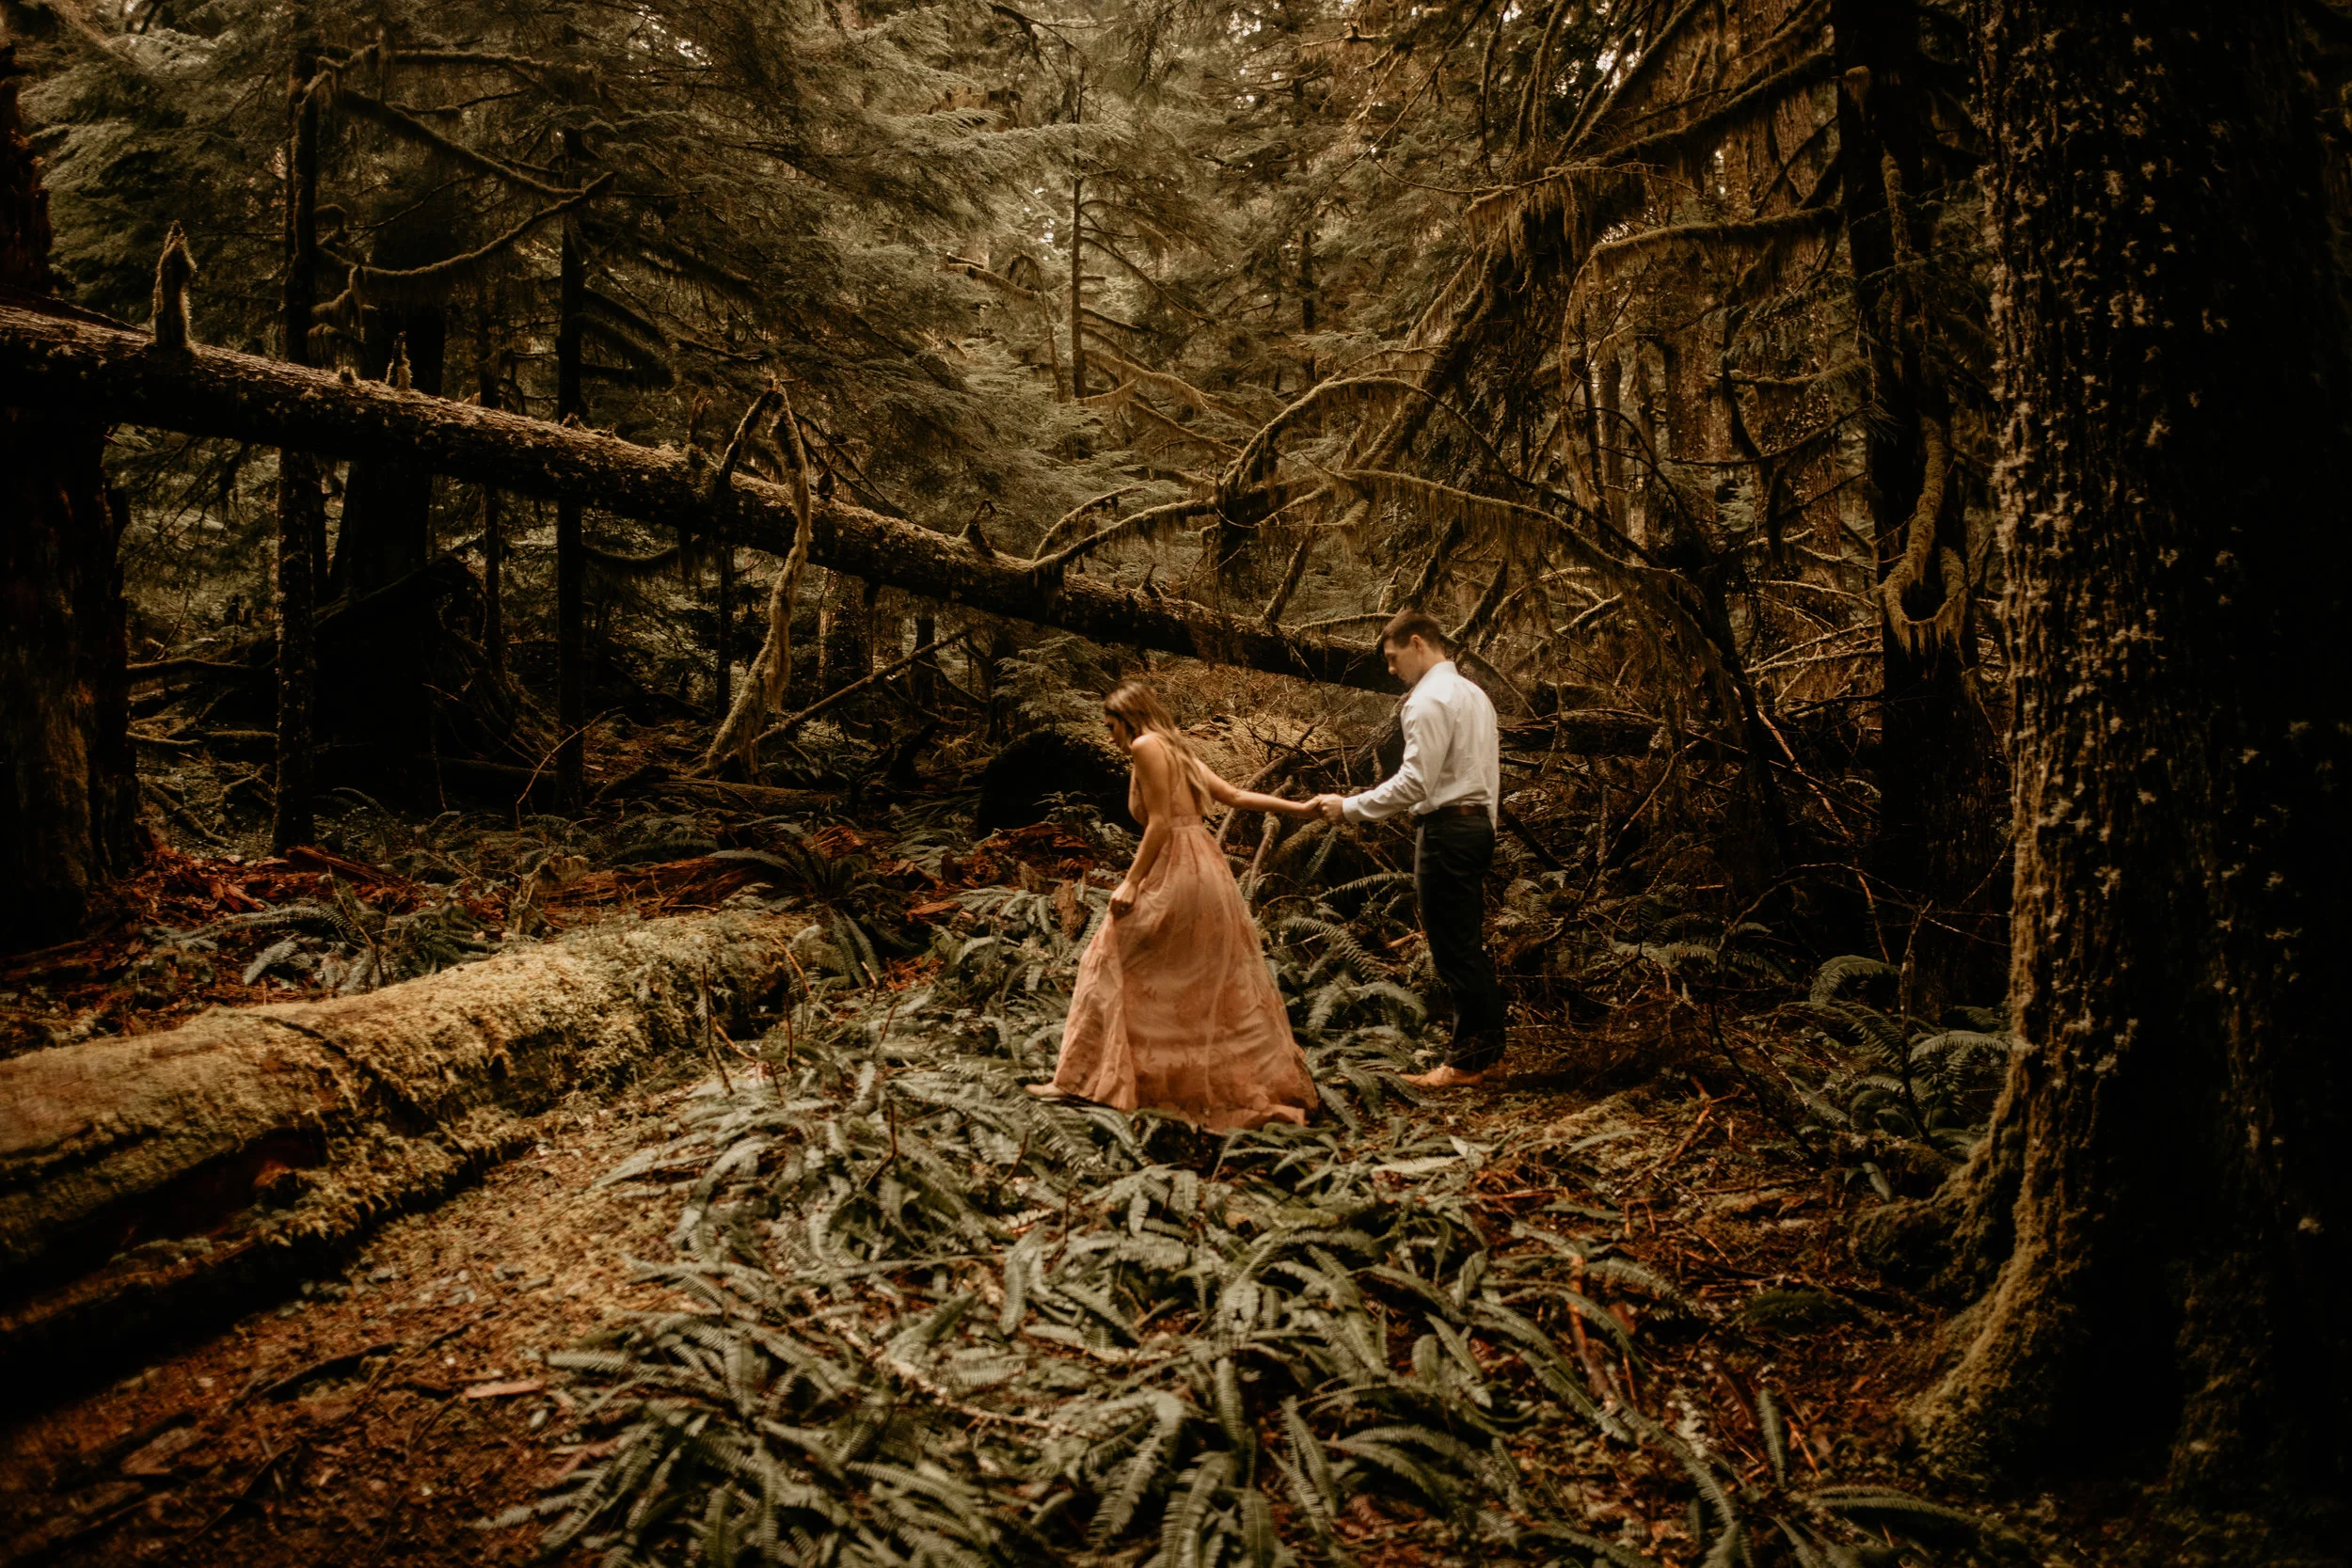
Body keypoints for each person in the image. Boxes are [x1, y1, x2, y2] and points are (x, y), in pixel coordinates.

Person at [1029, 680, 1322, 1130]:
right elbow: (1235, 797)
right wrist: (1300, 809)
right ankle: (1146, 1080)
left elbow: (1162, 822)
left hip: (1176, 868)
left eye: (1111, 726)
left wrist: (1130, 883)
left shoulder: (1146, 745)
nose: (1110, 736)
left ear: (1129, 718)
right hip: (1205, 867)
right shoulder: (1174, 748)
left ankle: (1081, 1082)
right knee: (1189, 979)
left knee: (1105, 960)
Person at [1311, 610, 1505, 1089]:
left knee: (1452, 949)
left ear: (1417, 643)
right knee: (1466, 944)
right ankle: (1487, 1056)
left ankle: (1466, 1065)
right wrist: (1486, 827)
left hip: (1447, 831)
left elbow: (1415, 782)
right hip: (1475, 827)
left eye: (1393, 657)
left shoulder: (1427, 700)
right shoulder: (1474, 695)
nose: (1391, 669)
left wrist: (1349, 807)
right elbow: (1487, 772)